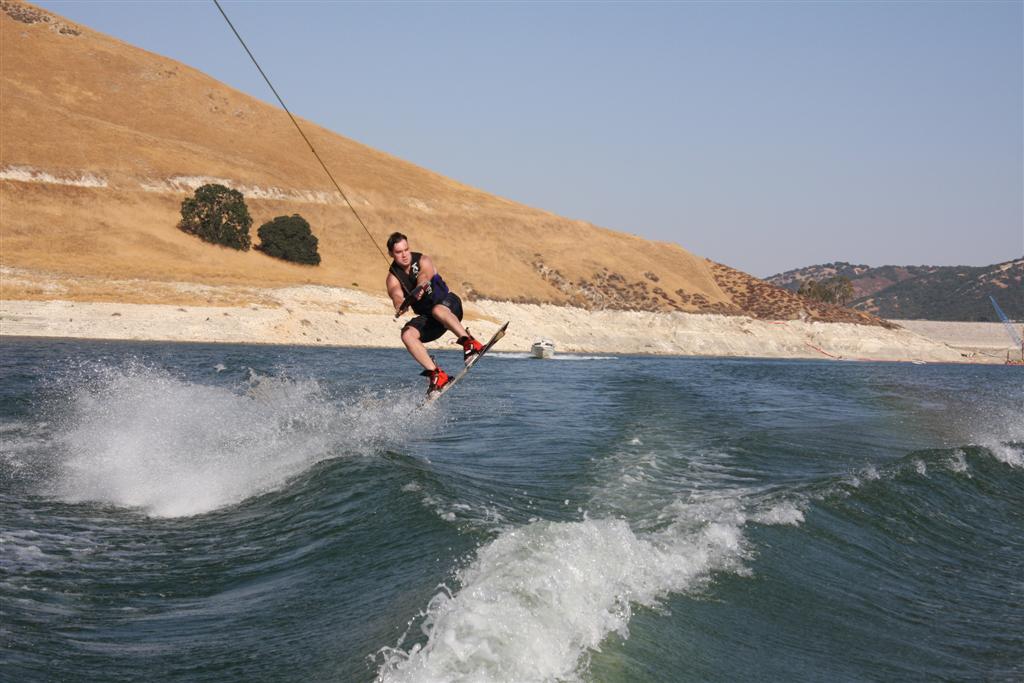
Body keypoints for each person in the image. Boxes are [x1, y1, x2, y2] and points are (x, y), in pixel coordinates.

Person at [385, 232, 483, 394]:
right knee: (407, 334)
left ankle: (471, 344)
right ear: (391, 254)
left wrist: (420, 288)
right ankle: (437, 375)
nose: (404, 255)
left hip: (449, 306)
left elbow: (424, 276)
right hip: (431, 320)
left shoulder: (423, 260)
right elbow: (396, 294)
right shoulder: (392, 278)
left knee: (437, 309)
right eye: (398, 252)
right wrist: (400, 305)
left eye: (406, 250)